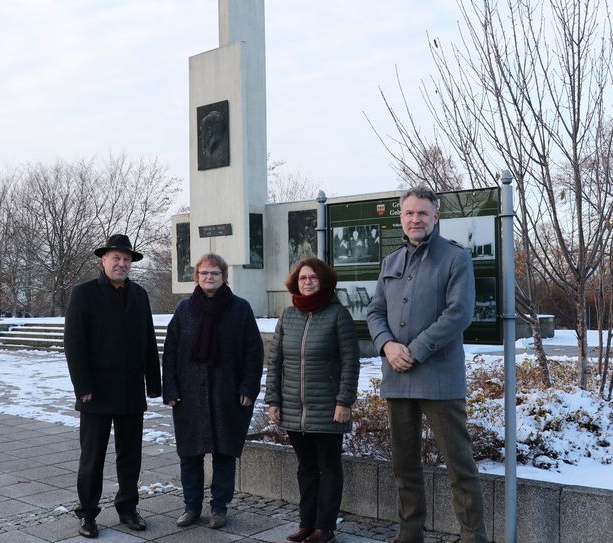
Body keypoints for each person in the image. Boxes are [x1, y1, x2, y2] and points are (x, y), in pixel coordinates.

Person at [365, 187, 487, 543]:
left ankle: (473, 536)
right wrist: (387, 345)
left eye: (422, 213)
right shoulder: (390, 262)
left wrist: (413, 350)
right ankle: (410, 533)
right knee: (404, 465)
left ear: (436, 217)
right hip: (397, 379)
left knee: (459, 466)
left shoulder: (454, 258)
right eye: (408, 213)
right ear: (400, 218)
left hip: (439, 380)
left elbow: (459, 313)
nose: (415, 219)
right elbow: (374, 312)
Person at [64, 234, 161, 539]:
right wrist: (83, 386)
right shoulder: (84, 293)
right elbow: (74, 343)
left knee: (130, 455)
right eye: (116, 258)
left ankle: (128, 508)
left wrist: (154, 384)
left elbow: (147, 340)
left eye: (127, 259)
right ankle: (88, 514)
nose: (121, 263)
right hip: (96, 391)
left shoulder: (140, 295)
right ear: (103, 260)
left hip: (131, 389)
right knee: (92, 456)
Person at [162, 253, 264, 530]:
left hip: (227, 394)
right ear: (197, 277)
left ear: (224, 277)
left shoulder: (240, 309)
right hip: (189, 395)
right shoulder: (184, 310)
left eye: (215, 273)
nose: (209, 278)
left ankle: (219, 508)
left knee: (224, 454)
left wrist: (248, 387)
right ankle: (191, 507)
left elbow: (253, 352)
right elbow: (170, 351)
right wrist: (169, 387)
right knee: (190, 455)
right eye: (204, 273)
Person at [265, 258, 360, 543]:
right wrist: (274, 400)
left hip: (329, 408)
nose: (307, 281)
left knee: (329, 468)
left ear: (323, 281)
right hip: (294, 407)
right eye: (303, 277)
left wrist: (344, 401)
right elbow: (276, 360)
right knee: (305, 468)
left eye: (313, 277)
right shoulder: (288, 315)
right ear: (296, 281)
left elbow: (350, 361)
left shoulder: (337, 314)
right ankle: (307, 524)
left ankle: (325, 528)